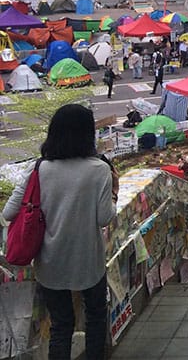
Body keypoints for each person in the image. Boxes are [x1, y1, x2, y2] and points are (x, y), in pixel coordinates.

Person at [2, 104, 118, 360]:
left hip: (50, 263)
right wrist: (115, 194)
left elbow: (9, 213)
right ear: (87, 134)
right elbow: (104, 218)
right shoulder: (99, 169)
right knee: (96, 317)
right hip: (89, 262)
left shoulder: (40, 168)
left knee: (61, 325)